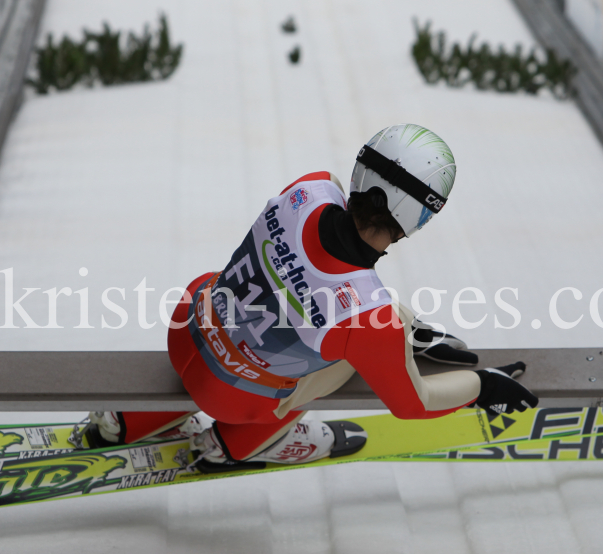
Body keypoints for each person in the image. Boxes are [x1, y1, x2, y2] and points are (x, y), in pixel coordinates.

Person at [83, 124, 538, 472]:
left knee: (269, 309)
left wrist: (398, 326)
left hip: (187, 332)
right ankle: (232, 446)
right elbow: (411, 404)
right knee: (342, 356)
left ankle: (126, 421)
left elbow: (308, 269)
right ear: (416, 216)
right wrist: (484, 385)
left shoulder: (314, 186)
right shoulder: (368, 316)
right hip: (232, 399)